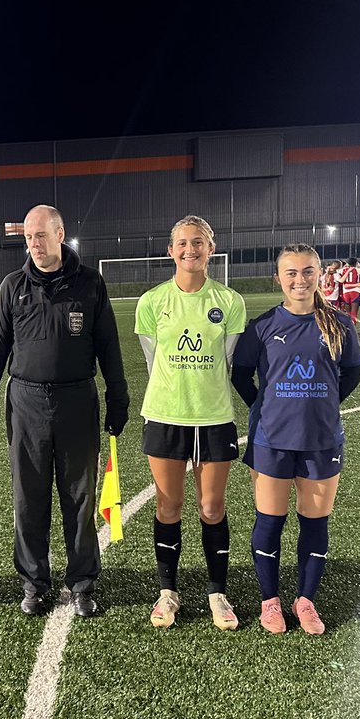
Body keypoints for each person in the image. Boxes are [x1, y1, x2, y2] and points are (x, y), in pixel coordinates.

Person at [0, 204, 128, 618]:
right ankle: (34, 583)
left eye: (40, 235)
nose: (34, 244)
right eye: (28, 237)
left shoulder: (91, 284)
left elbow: (109, 347)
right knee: (29, 497)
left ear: (60, 235)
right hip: (25, 403)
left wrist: (118, 397)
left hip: (78, 400)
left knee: (79, 497)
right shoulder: (13, 286)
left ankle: (82, 583)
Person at [231, 244, 360, 635]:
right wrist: (264, 407)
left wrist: (321, 404)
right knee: (269, 521)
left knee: (315, 523)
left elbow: (351, 374)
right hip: (271, 439)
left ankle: (306, 600)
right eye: (291, 273)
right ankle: (269, 601)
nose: (300, 280)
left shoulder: (338, 325)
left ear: (319, 275)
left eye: (307, 271)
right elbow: (241, 375)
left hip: (321, 441)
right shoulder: (262, 326)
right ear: (279, 279)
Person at [133, 215, 247, 630]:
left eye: (197, 243)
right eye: (182, 243)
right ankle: (168, 592)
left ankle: (218, 592)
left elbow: (229, 362)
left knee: (212, 507)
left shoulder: (230, 302)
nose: (189, 250)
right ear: (170, 250)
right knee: (169, 505)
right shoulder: (152, 302)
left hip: (214, 417)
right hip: (165, 415)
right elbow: (151, 361)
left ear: (210, 249)